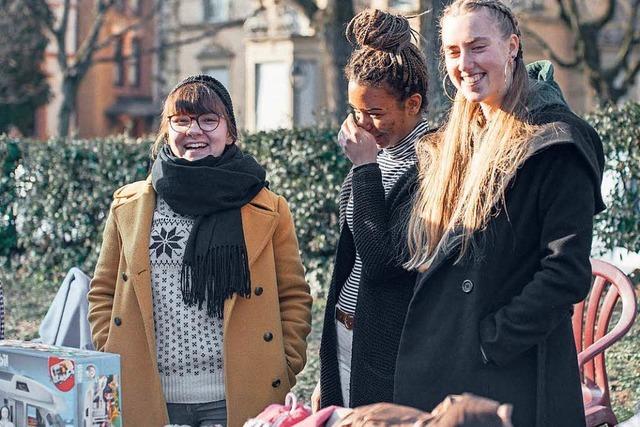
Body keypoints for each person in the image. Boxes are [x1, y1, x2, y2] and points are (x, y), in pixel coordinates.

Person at [395, 1, 605, 427]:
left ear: (512, 46)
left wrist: (493, 340)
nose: (464, 64)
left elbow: (565, 272)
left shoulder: (556, 142)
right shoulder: (455, 141)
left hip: (513, 377)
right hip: (447, 365)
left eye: (477, 47)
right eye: (453, 52)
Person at [88, 75, 312, 427]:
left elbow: (293, 295)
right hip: (149, 391)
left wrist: (284, 364)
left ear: (230, 132)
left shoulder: (267, 207)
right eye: (182, 120)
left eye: (209, 120)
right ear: (166, 130)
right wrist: (113, 348)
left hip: (235, 394)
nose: (195, 130)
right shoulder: (129, 206)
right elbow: (103, 290)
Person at [314, 8, 431, 411]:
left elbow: (384, 263)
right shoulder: (379, 151)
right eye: (356, 111)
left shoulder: (431, 163)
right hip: (344, 339)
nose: (364, 124)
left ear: (413, 103)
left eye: (376, 113)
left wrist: (365, 169)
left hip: (384, 348)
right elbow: (350, 257)